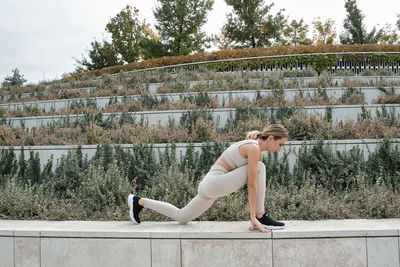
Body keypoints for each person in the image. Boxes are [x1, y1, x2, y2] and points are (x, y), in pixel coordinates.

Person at [128, 124, 288, 233]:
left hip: (210, 186)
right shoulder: (253, 147)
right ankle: (261, 217)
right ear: (271, 138)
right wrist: (253, 216)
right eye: (280, 144)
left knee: (182, 216)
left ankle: (138, 201)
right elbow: (252, 184)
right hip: (215, 182)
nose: (280, 149)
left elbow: (253, 184)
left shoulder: (257, 151)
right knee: (260, 168)